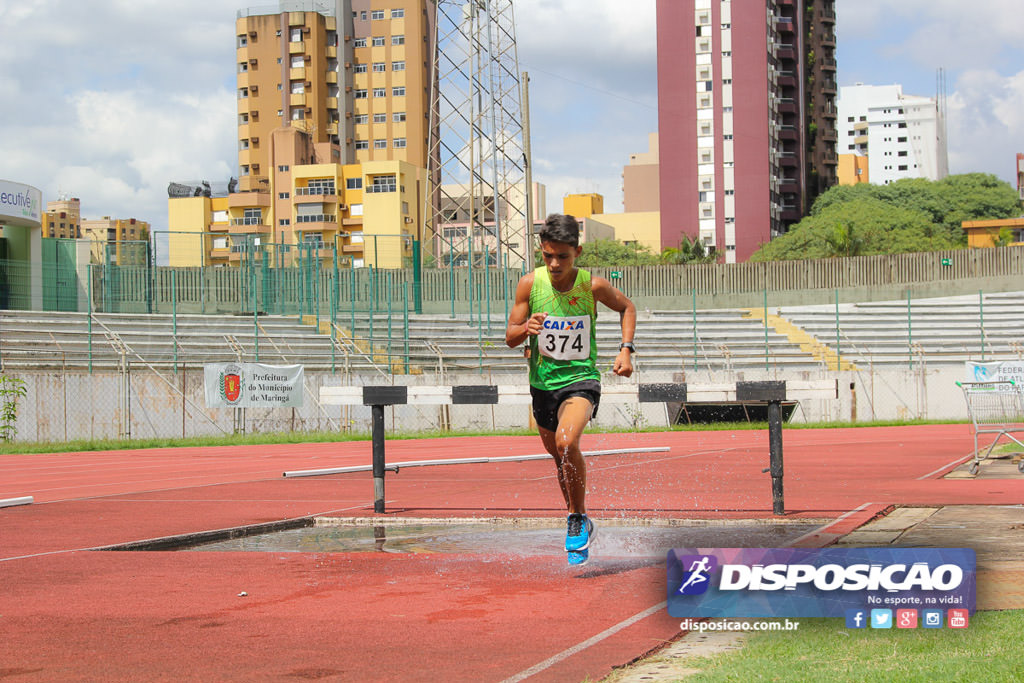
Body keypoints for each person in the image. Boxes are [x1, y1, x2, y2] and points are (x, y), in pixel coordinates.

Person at [505, 213, 637, 565]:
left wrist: (626, 348)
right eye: (548, 255)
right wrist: (526, 328)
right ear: (541, 251)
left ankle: (576, 518)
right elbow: (509, 338)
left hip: (580, 381)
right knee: (558, 457)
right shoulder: (529, 285)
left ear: (577, 252)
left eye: (562, 256)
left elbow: (627, 307)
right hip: (542, 385)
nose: (554, 263)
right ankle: (578, 516)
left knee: (567, 442)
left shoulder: (592, 286)